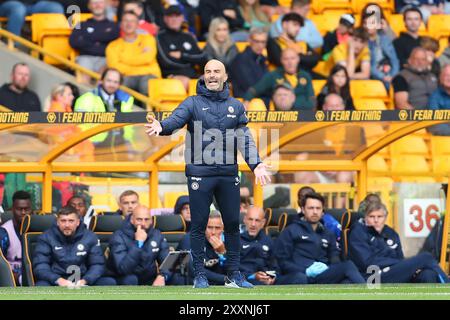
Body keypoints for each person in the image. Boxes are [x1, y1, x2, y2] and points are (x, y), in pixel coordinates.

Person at [144, 59, 271, 289]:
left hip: (228, 172)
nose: (212, 75)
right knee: (199, 224)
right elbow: (175, 120)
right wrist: (162, 126)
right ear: (203, 76)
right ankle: (200, 275)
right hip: (199, 174)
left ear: (225, 76)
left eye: (216, 71)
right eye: (208, 72)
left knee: (232, 223)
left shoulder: (236, 106)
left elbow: (244, 138)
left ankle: (234, 274)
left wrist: (257, 164)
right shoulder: (192, 103)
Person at [348, 201, 449, 283]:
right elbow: (368, 262)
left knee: (427, 274)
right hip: (373, 277)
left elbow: (399, 257)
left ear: (385, 217)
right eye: (371, 217)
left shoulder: (390, 233)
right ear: (365, 217)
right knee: (426, 257)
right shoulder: (358, 232)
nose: (376, 220)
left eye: (379, 217)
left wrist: (408, 267)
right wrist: (403, 264)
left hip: (393, 272)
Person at [275, 193, 365, 284]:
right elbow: (282, 261)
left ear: (322, 212)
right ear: (303, 210)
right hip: (301, 275)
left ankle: (368, 295)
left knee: (347, 274)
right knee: (300, 278)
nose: (315, 212)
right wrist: (305, 271)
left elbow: (334, 257)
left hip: (323, 275)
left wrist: (330, 269)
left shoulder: (328, 233)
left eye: (318, 208)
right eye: (311, 208)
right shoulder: (290, 231)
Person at [33, 206, 116, 286]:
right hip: (56, 280)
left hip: (82, 279)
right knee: (41, 285)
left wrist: (86, 280)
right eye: (63, 221)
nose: (67, 225)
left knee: (109, 282)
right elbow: (40, 266)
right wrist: (58, 280)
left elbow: (97, 264)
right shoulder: (46, 237)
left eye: (71, 221)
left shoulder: (90, 237)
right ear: (58, 222)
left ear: (78, 222)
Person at [240, 206, 306, 285]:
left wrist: (273, 277)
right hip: (246, 280)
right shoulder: (236, 241)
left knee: (300, 277)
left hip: (267, 280)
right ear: (244, 220)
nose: (253, 224)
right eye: (250, 219)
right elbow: (230, 269)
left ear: (263, 223)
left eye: (257, 220)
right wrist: (253, 276)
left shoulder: (269, 241)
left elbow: (276, 266)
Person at [107, 205, 170, 285]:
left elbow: (167, 261)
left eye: (146, 219)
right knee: (131, 279)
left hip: (149, 278)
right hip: (123, 278)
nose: (143, 223)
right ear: (132, 220)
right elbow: (123, 269)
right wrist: (138, 243)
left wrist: (162, 276)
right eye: (139, 219)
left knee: (174, 278)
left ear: (151, 221)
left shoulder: (157, 235)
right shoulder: (119, 236)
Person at [106, 11, 161, 96]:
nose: (129, 24)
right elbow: (114, 67)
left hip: (149, 75)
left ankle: (148, 109)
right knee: (120, 84)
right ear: (120, 24)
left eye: (132, 21)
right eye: (126, 21)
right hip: (127, 77)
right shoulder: (113, 46)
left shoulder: (148, 39)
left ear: (137, 24)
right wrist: (140, 60)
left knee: (145, 85)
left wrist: (124, 60)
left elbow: (148, 58)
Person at [244, 48, 315, 110]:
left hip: (301, 114)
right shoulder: (273, 75)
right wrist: (246, 101)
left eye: (293, 58)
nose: (290, 62)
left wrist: (291, 103)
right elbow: (254, 90)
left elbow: (312, 101)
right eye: (286, 59)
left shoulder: (305, 76)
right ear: (281, 60)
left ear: (298, 59)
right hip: (279, 115)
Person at [156, 5, 207, 90]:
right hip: (171, 75)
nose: (174, 19)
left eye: (177, 16)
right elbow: (166, 61)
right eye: (171, 16)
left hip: (192, 74)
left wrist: (182, 56)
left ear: (182, 18)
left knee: (213, 81)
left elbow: (203, 58)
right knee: (185, 82)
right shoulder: (160, 36)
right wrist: (190, 60)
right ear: (165, 18)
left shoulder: (188, 36)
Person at [69, 0, 120, 84]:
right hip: (86, 57)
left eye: (100, 2)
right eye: (94, 3)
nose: (97, 5)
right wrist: (103, 40)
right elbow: (73, 41)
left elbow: (116, 42)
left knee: (107, 74)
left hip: (106, 58)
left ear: (106, 4)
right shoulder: (81, 24)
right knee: (84, 71)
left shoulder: (114, 25)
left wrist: (87, 39)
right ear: (89, 6)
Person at [177, 211, 229, 286]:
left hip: (218, 285)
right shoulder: (190, 239)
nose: (213, 232)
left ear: (223, 229)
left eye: (217, 228)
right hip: (192, 284)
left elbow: (232, 270)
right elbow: (192, 269)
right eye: (209, 227)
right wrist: (225, 279)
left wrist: (223, 253)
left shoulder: (228, 241)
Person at [267, 12, 320, 77]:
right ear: (284, 24)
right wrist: (304, 56)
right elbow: (279, 61)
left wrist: (298, 56)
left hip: (305, 75)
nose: (298, 29)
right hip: (282, 78)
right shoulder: (273, 42)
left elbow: (315, 59)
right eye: (295, 25)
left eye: (299, 26)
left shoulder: (302, 43)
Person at [361, 7, 399, 89]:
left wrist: (393, 76)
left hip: (389, 73)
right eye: (365, 23)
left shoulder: (385, 39)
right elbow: (369, 66)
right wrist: (383, 77)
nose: (368, 26)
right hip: (373, 77)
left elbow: (394, 60)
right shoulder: (361, 42)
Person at [0, 191, 33, 285]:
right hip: (10, 281)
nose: (23, 212)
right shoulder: (4, 232)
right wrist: (19, 278)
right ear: (12, 209)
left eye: (26, 209)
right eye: (19, 209)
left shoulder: (37, 229)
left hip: (34, 278)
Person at [229, 27, 268, 99]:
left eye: (263, 42)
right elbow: (249, 86)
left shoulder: (262, 59)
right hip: (246, 102)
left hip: (260, 99)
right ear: (249, 40)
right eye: (257, 41)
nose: (260, 45)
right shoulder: (240, 59)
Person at [427, 65, 450, 136]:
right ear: (441, 78)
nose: (449, 78)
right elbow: (434, 122)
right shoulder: (435, 97)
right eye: (446, 75)